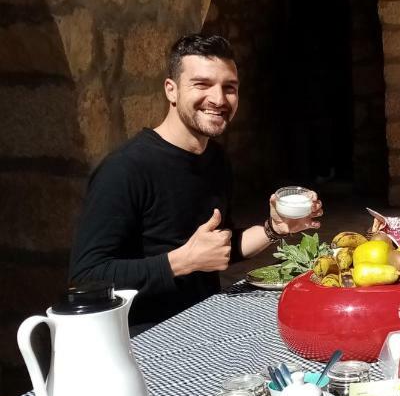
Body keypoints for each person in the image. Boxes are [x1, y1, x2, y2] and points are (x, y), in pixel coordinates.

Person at [70, 33, 322, 331]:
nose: (218, 99)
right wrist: (182, 261)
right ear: (171, 91)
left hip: (206, 323)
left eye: (229, 88)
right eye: (202, 84)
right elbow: (86, 275)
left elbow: (217, 248)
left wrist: (274, 228)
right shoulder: (126, 169)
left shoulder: (215, 160)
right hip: (146, 342)